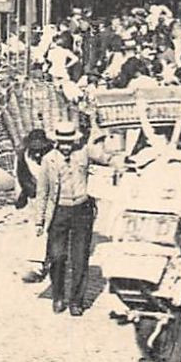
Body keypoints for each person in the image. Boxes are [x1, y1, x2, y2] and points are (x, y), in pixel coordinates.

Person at [34, 120, 115, 317]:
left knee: (80, 257)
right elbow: (42, 192)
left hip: (82, 210)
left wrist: (105, 136)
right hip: (59, 211)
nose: (66, 147)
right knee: (57, 256)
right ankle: (58, 296)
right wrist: (39, 220)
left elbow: (107, 158)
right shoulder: (48, 160)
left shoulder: (84, 153)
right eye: (62, 142)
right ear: (56, 142)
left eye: (69, 142)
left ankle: (76, 301)